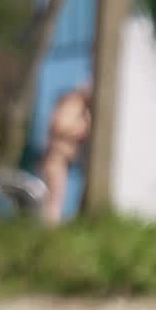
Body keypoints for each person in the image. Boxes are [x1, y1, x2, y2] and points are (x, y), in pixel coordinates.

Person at [39, 87, 92, 225]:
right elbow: (59, 125)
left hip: (65, 160)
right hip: (56, 158)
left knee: (58, 199)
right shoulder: (74, 102)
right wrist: (83, 128)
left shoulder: (80, 104)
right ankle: (49, 231)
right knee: (54, 200)